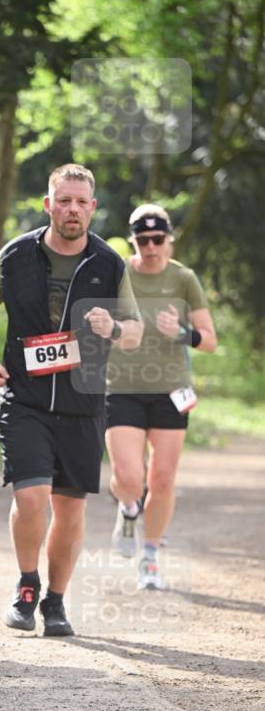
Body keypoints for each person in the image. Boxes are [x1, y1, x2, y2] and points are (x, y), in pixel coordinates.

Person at [0, 163, 143, 636]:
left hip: (83, 403)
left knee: (70, 509)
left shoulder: (108, 264)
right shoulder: (16, 254)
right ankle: (26, 586)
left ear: (93, 208)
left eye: (80, 202)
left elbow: (135, 332)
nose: (71, 209)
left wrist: (116, 328)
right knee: (30, 497)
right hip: (24, 399)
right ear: (48, 204)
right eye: (62, 200)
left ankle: (56, 601)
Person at [106, 204, 217, 589]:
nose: (151, 246)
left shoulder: (183, 278)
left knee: (164, 477)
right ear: (133, 239)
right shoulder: (117, 272)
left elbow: (210, 340)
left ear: (168, 239)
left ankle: (149, 557)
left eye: (158, 239)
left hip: (171, 391)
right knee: (128, 476)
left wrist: (182, 332)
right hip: (121, 386)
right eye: (142, 239)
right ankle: (128, 505)